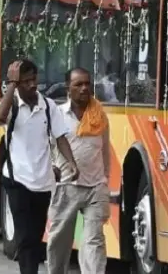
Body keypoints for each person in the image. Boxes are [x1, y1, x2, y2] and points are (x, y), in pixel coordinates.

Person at [0, 59, 80, 274]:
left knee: (35, 235)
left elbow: (60, 138)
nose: (33, 85)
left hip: (43, 182)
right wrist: (12, 86)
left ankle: (29, 265)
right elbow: (0, 116)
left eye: (34, 79)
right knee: (24, 236)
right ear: (17, 84)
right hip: (17, 180)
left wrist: (71, 162)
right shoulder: (12, 104)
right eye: (26, 81)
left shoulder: (48, 106)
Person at [47, 67, 111, 274]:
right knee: (60, 241)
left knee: (94, 241)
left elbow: (105, 149)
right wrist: (51, 169)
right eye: (78, 84)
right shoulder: (58, 115)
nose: (84, 88)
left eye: (87, 83)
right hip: (66, 187)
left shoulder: (100, 116)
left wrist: (104, 181)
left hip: (95, 188)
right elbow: (46, 147)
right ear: (68, 88)